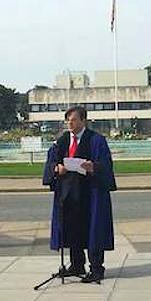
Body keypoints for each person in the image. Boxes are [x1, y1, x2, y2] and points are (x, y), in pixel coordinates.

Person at [45, 106, 116, 283]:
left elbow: (105, 165)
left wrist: (94, 167)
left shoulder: (96, 140)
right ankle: (77, 264)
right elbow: (51, 162)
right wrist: (56, 168)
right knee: (72, 228)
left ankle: (96, 268)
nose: (70, 123)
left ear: (83, 121)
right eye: (68, 120)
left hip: (90, 193)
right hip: (69, 193)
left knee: (93, 230)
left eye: (74, 119)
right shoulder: (61, 141)